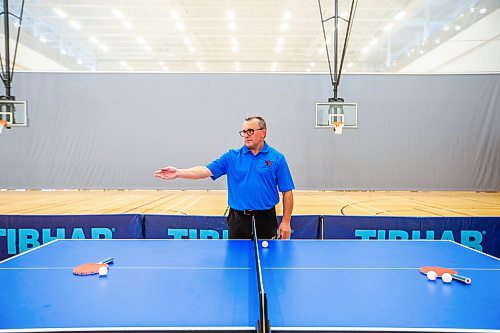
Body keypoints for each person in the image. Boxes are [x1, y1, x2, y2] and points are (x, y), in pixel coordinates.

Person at [154, 116, 294, 240]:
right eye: (244, 132)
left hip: (266, 219)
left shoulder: (277, 158)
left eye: (250, 131)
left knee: (267, 261)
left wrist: (286, 221)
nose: (246, 135)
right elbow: (205, 170)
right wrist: (179, 172)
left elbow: (287, 191)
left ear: (263, 132)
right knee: (236, 263)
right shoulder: (231, 157)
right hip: (238, 220)